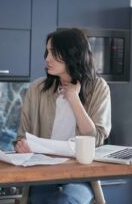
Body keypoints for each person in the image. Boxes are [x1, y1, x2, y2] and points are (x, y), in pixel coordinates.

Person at [14, 28, 111, 204]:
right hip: (42, 174)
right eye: (47, 52)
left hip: (80, 176)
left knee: (65, 200)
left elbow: (95, 140)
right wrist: (21, 145)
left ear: (72, 54)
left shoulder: (98, 88)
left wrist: (73, 98)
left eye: (54, 53)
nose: (47, 58)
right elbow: (22, 136)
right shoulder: (37, 89)